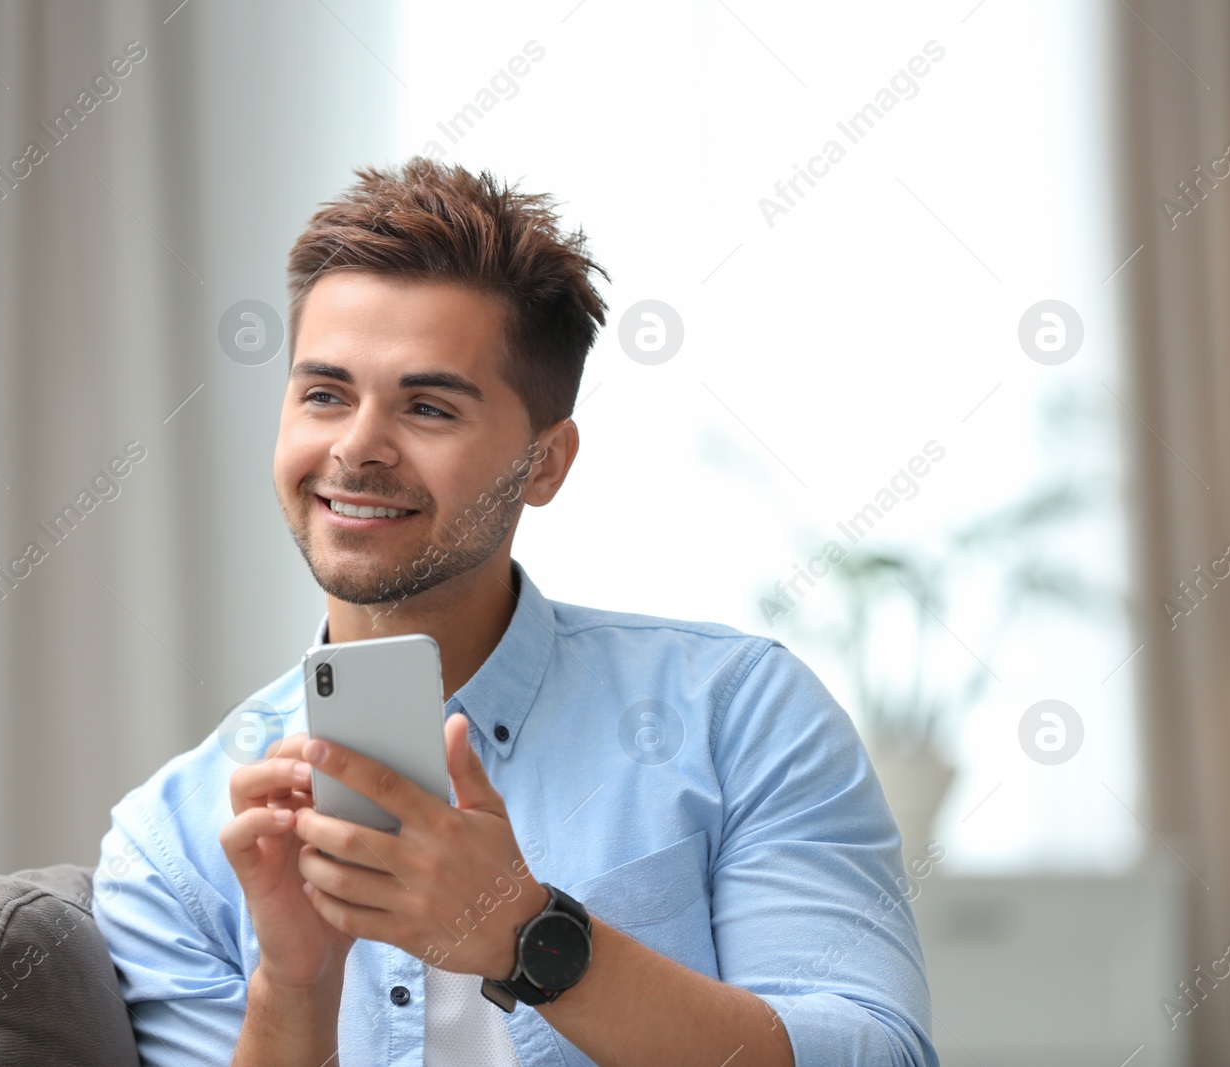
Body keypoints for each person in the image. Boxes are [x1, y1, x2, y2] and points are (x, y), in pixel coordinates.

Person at [92, 156, 939, 1067]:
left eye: (428, 406)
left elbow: (876, 1052)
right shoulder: (175, 841)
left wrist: (527, 934)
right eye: (325, 394)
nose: (358, 448)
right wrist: (293, 991)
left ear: (546, 462)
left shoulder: (739, 715)